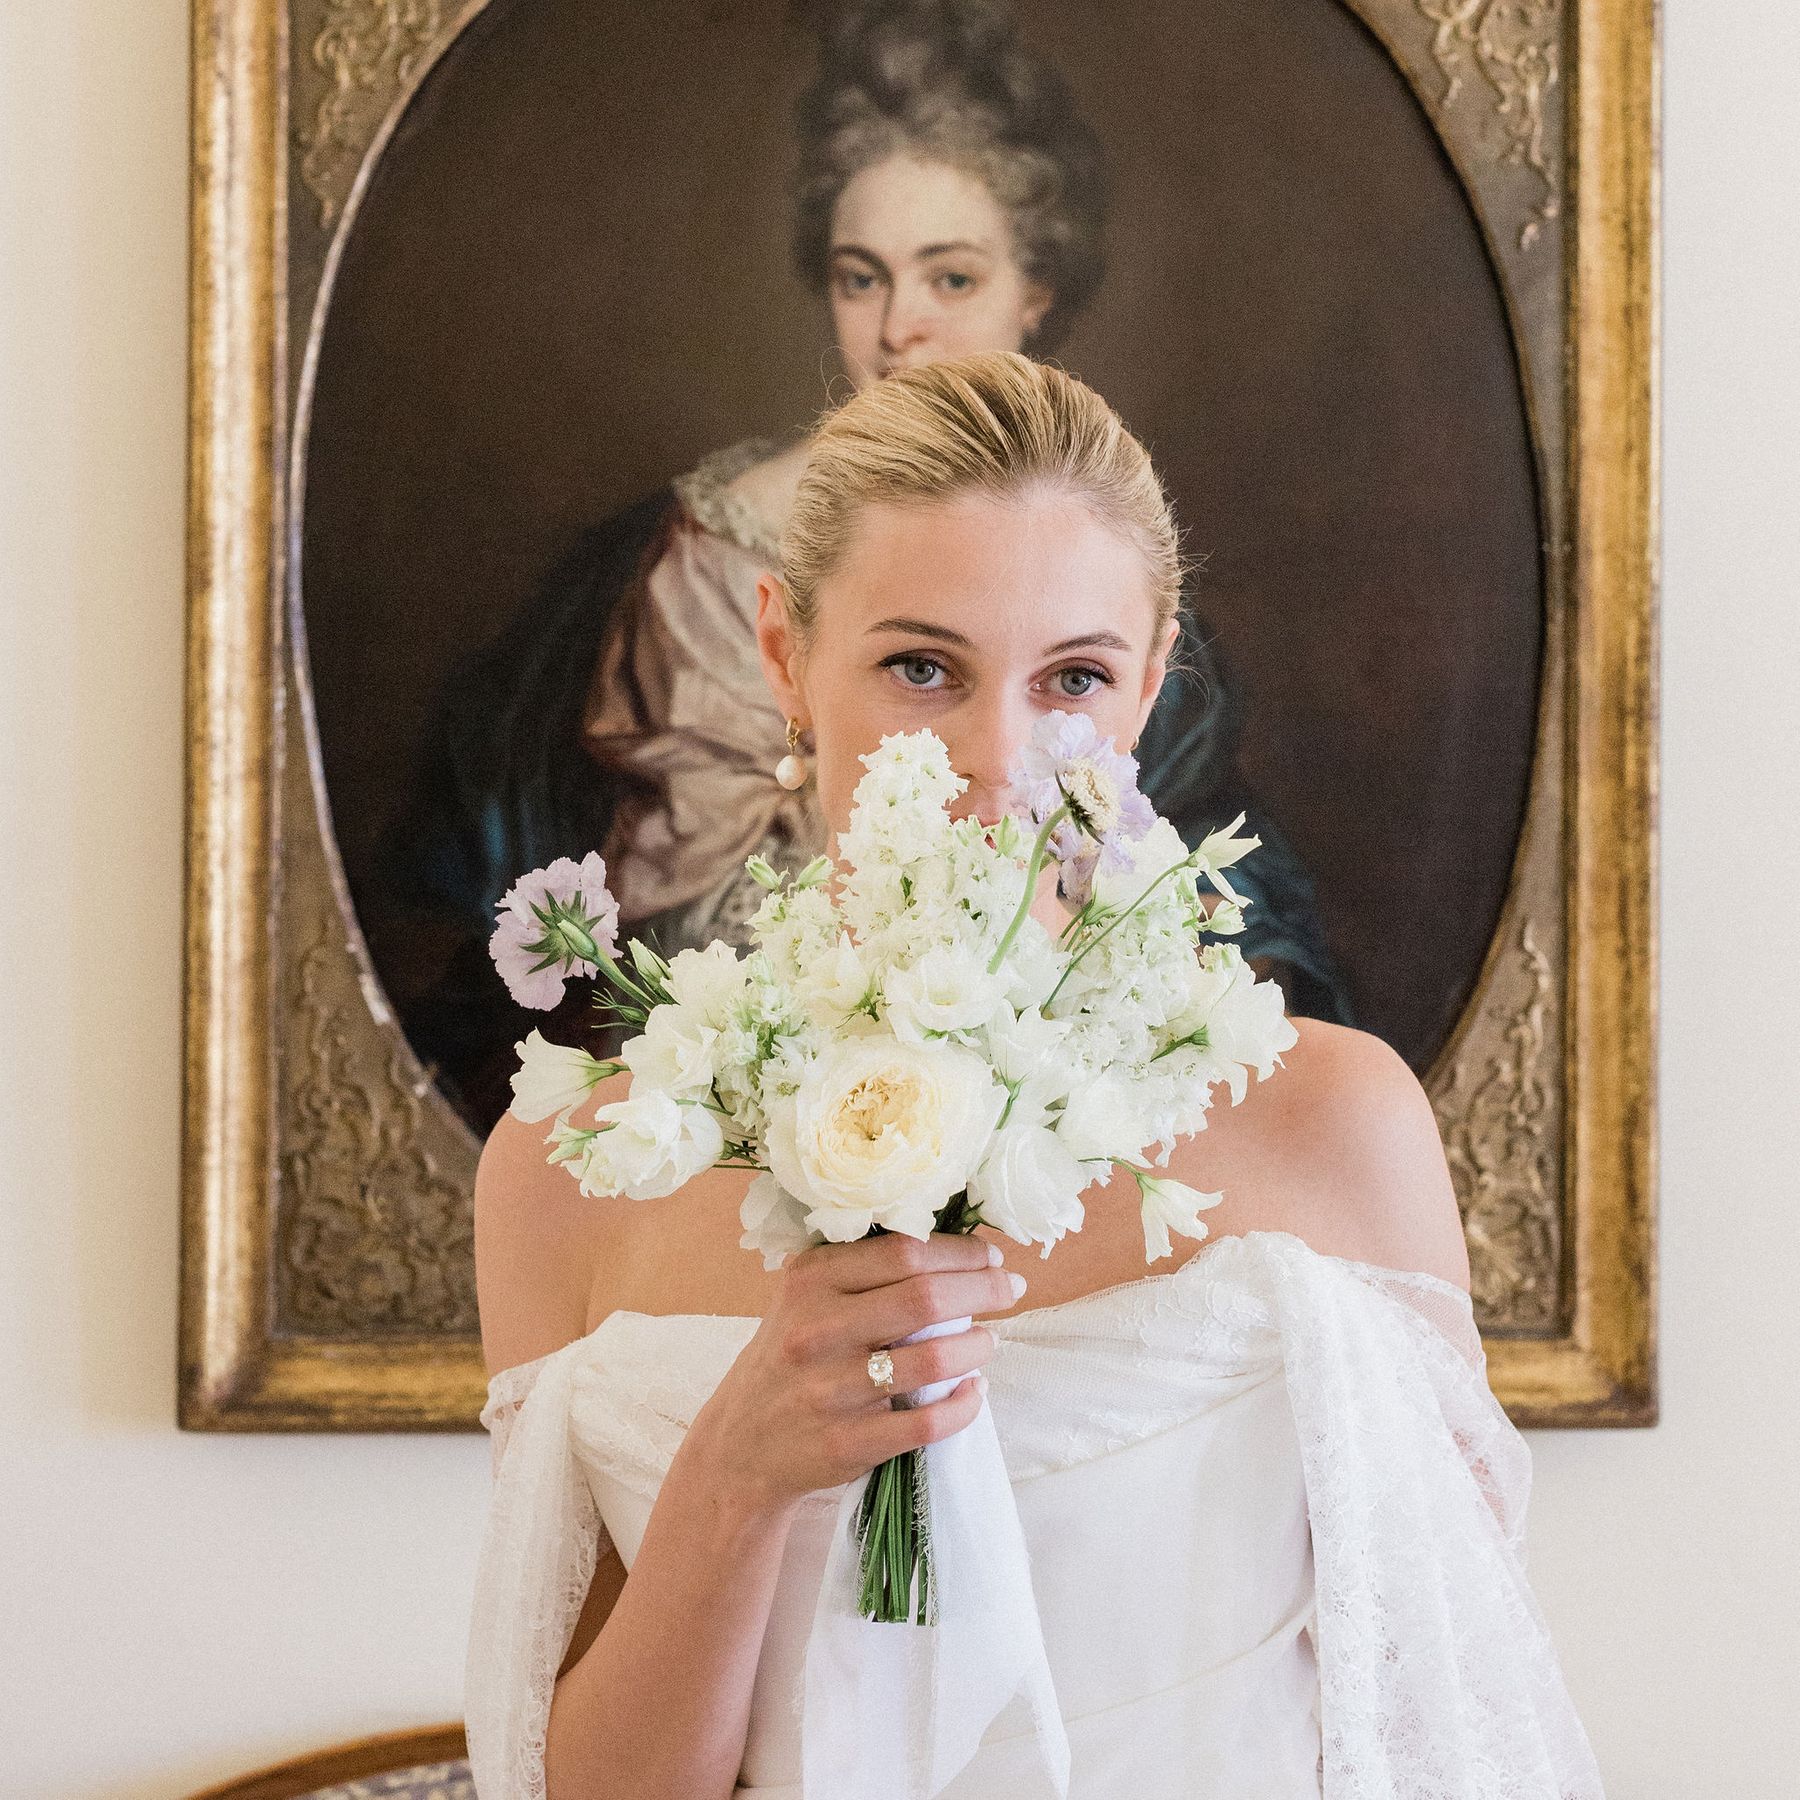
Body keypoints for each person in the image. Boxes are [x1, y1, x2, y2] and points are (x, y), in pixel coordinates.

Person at [461, 353, 1605, 1799]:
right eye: (921, 668)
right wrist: (739, 1471)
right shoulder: (568, 1173)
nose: (998, 760)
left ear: (1150, 683)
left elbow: (1448, 1726)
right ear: (782, 654)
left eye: (1073, 678)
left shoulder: (1334, 1123)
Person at [363, 0, 1351, 1141]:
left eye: (951, 279)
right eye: (860, 278)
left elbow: (1227, 911)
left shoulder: (1113, 579)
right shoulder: (700, 557)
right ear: (783, 650)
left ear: (1036, 291)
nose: (899, 330)